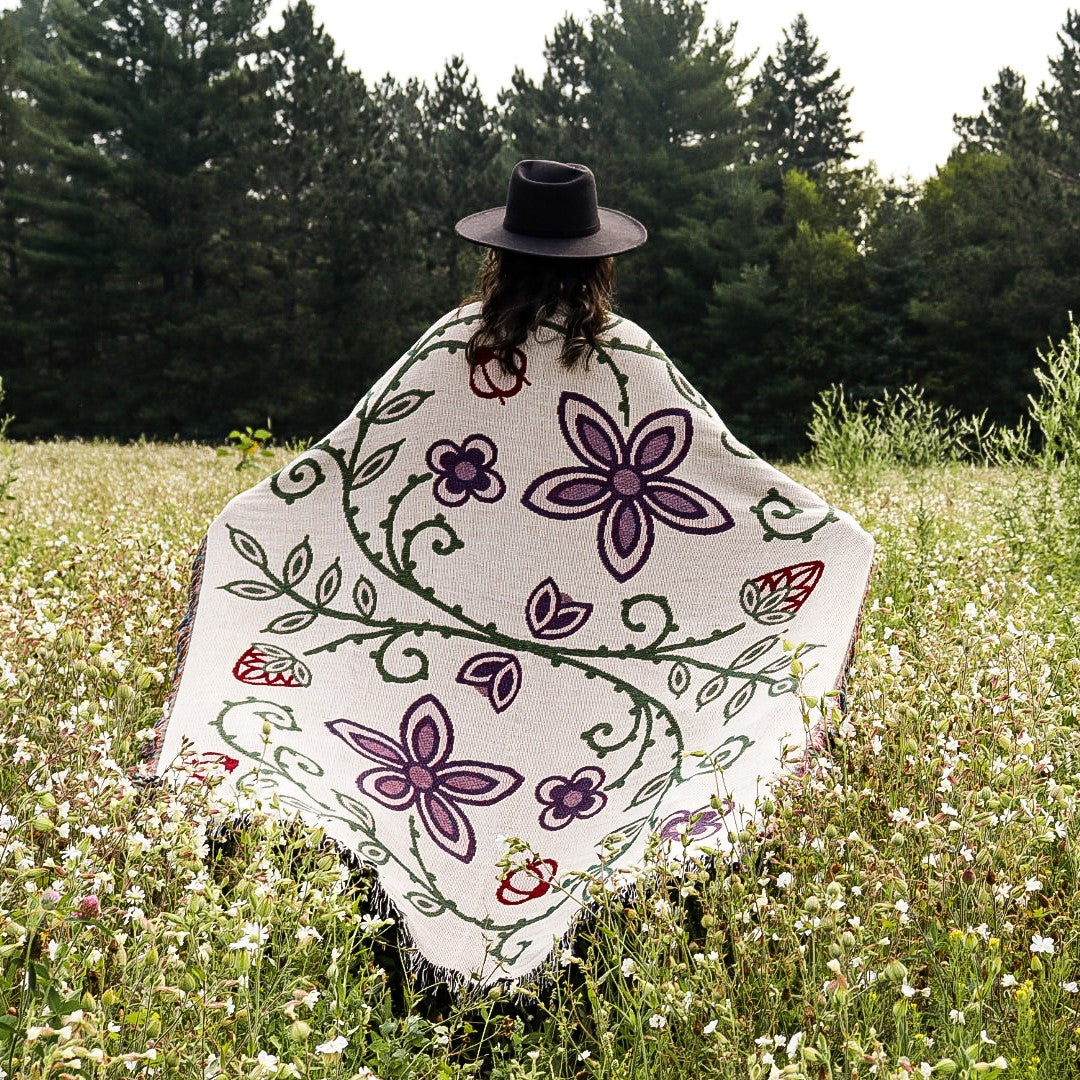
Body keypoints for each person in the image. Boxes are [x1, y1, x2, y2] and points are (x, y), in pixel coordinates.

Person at [154, 160, 873, 989]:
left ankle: (424, 999)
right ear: (599, 263)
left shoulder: (451, 345)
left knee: (433, 809)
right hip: (574, 705)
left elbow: (342, 473)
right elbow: (727, 495)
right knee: (555, 836)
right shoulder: (628, 359)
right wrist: (833, 548)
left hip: (432, 694)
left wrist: (246, 531)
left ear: (499, 255)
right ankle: (545, 1001)